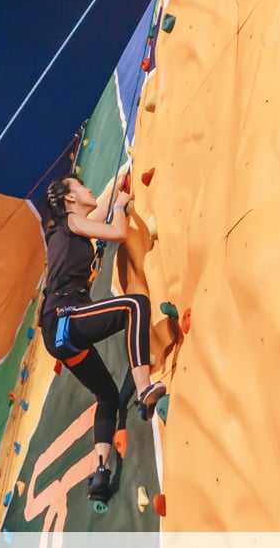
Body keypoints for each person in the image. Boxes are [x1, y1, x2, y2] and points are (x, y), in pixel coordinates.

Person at [39, 172, 166, 501]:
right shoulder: (70, 222)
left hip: (59, 336)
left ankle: (100, 472)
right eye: (82, 187)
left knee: (107, 396)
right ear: (69, 198)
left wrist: (118, 189)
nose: (90, 189)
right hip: (65, 320)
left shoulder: (69, 228)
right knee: (134, 306)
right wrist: (121, 205)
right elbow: (118, 232)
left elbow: (97, 216)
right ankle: (144, 389)